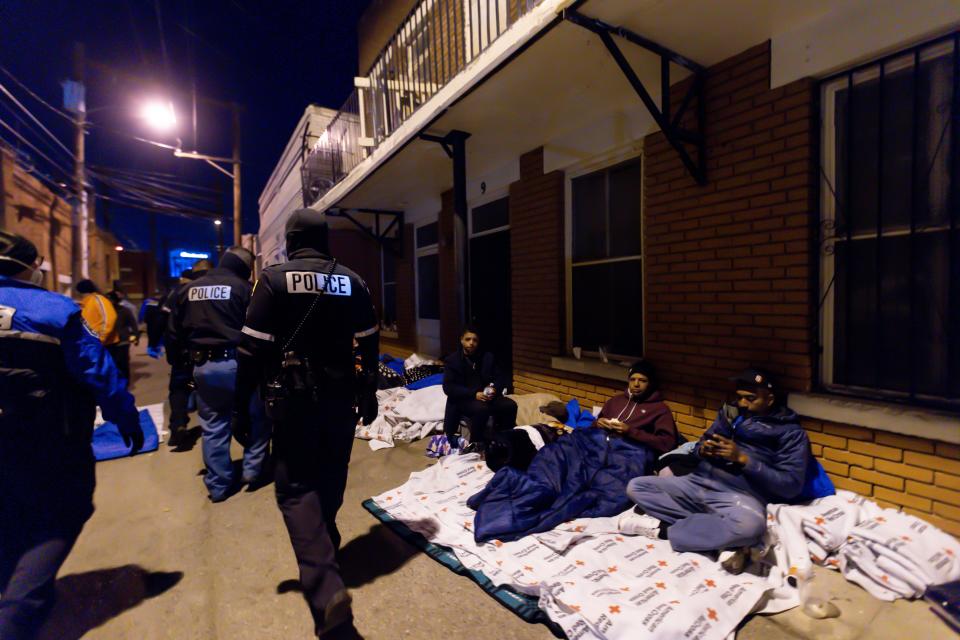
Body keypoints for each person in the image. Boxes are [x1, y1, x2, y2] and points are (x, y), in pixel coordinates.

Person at [234, 208, 378, 640]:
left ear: (292, 240)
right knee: (331, 474)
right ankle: (326, 537)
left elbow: (249, 352)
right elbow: (370, 343)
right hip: (340, 400)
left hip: (295, 403)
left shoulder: (275, 280)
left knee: (296, 489)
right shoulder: (352, 280)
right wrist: (368, 392)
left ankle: (325, 585)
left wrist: (241, 407)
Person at [0, 232, 143, 639]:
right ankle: (15, 614)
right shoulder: (54, 309)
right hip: (48, 440)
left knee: (8, 512)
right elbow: (98, 372)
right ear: (31, 268)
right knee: (62, 514)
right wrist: (125, 419)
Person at [619, 368, 814, 557]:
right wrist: (702, 450)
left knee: (751, 526)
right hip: (697, 482)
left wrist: (744, 460)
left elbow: (791, 485)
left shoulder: (791, 433)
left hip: (736, 495)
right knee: (636, 487)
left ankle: (664, 531)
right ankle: (714, 531)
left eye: (751, 398)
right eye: (740, 397)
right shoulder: (731, 413)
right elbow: (701, 444)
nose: (743, 403)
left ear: (770, 399)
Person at [166, 247, 268, 502]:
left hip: (204, 367)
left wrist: (181, 365)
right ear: (244, 268)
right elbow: (260, 332)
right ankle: (252, 472)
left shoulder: (187, 290)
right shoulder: (246, 289)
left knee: (213, 425)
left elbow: (173, 334)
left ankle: (219, 486)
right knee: (259, 417)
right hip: (240, 365)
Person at [441, 325, 517, 453]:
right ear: (461, 340)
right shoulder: (452, 361)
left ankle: (504, 438)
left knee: (510, 405)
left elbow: (500, 378)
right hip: (464, 399)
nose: (471, 343)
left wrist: (493, 388)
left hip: (486, 396)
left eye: (475, 340)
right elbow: (449, 387)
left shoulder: (487, 357)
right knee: (481, 409)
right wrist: (473, 394)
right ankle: (476, 444)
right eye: (468, 339)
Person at [163, 262, 211, 448]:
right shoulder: (217, 290)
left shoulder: (180, 293)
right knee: (208, 391)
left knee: (179, 390)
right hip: (208, 352)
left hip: (183, 352)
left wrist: (172, 354)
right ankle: (213, 428)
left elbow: (171, 328)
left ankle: (178, 425)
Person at [593, 359, 678, 455]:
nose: (636, 384)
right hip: (601, 446)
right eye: (632, 379)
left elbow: (667, 444)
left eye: (642, 380)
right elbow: (594, 425)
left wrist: (630, 432)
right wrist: (597, 423)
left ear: (650, 383)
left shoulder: (660, 409)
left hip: (631, 453)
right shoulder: (615, 401)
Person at [107, 290, 140, 382]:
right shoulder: (105, 312)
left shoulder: (124, 310)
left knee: (123, 363)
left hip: (123, 341)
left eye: (111, 300)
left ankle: (125, 382)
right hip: (108, 341)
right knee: (112, 363)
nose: (110, 302)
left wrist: (136, 337)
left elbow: (133, 324)